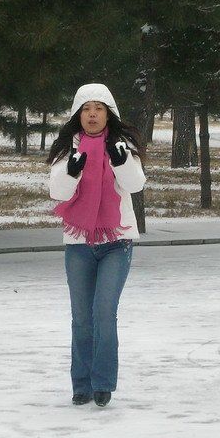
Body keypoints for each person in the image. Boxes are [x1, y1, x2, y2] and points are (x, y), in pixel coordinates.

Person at [46, 83, 146, 408]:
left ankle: (102, 383)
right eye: (87, 108)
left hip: (116, 241)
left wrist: (121, 163)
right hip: (78, 243)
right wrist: (72, 172)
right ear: (78, 114)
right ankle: (81, 385)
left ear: (108, 113)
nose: (92, 114)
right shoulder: (68, 147)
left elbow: (135, 184)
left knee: (104, 312)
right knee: (81, 317)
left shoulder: (122, 145)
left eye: (98, 108)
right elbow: (58, 192)